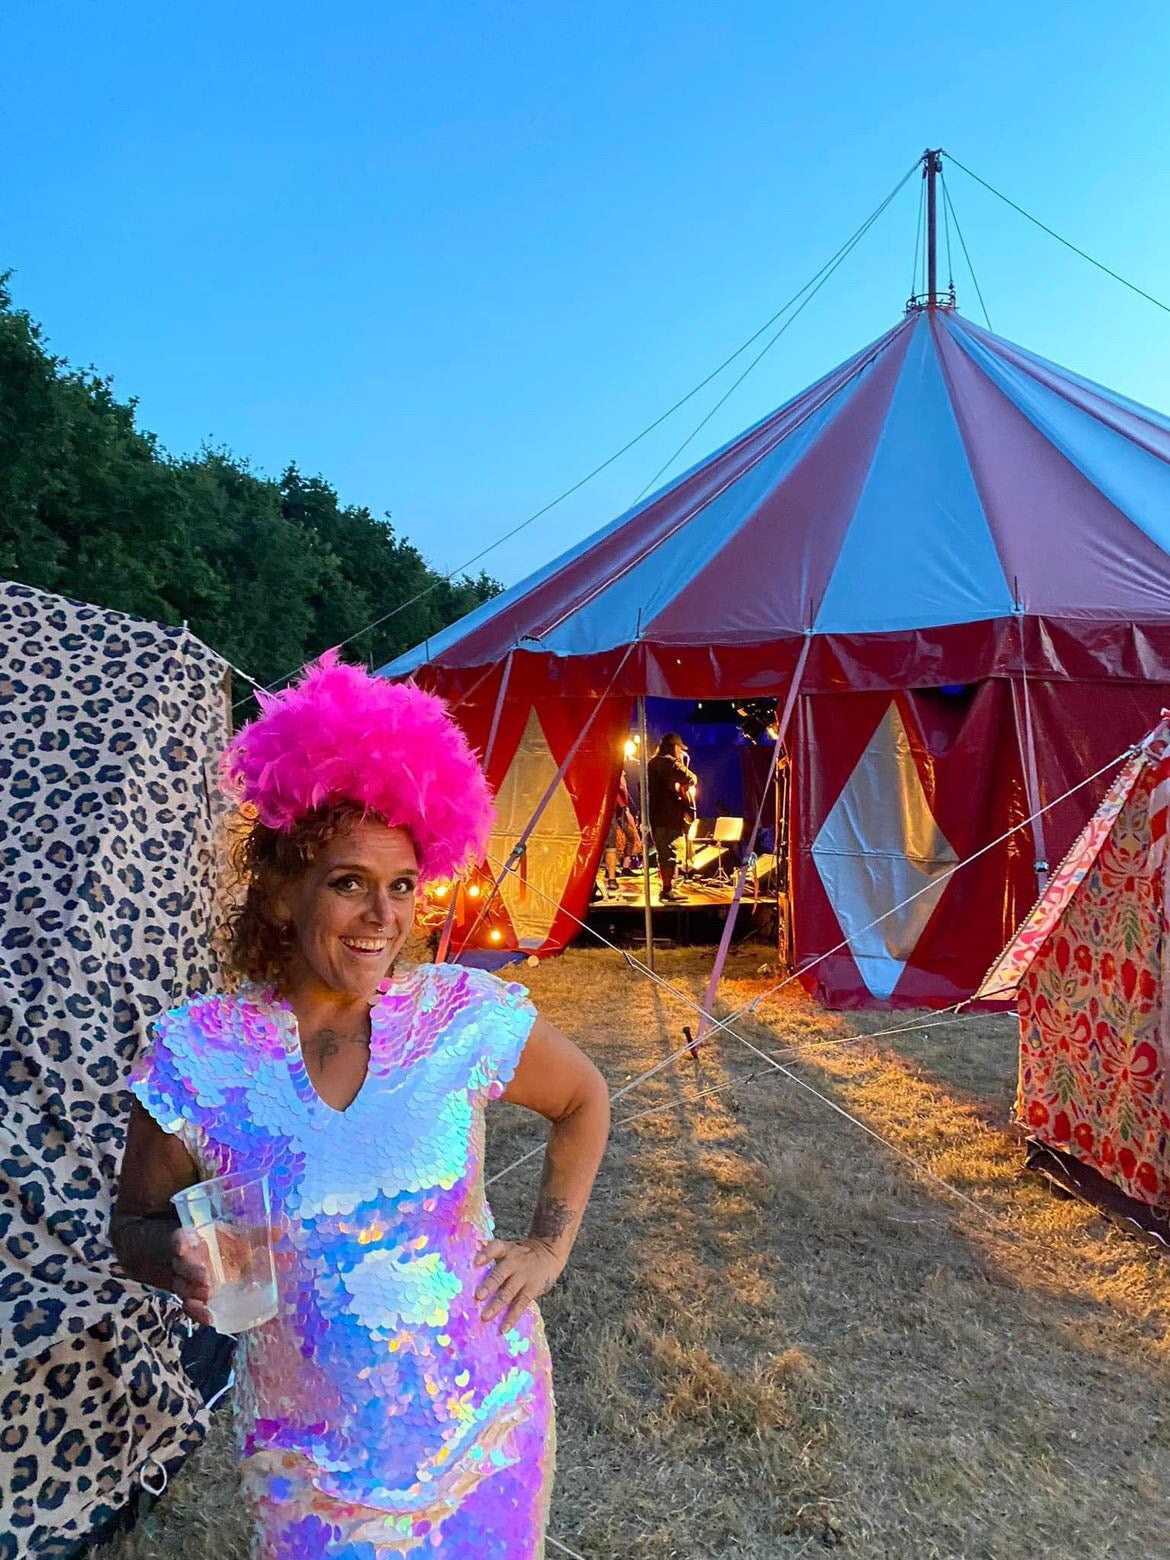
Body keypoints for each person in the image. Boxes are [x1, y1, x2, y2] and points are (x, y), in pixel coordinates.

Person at [111, 651, 610, 1560]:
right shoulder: (201, 1054)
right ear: (279, 888)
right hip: (307, 1472)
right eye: (349, 882)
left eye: (402, 885)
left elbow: (583, 1098)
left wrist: (548, 1245)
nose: (382, 916)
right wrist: (175, 1258)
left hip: (485, 1431)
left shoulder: (459, 1017)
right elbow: (133, 1227)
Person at [646, 733, 697, 903]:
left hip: (655, 814)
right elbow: (691, 778)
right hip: (670, 815)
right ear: (675, 747)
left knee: (663, 852)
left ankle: (667, 887)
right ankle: (668, 890)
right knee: (672, 851)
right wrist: (681, 763)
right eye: (679, 749)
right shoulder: (671, 763)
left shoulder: (651, 763)